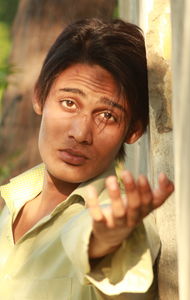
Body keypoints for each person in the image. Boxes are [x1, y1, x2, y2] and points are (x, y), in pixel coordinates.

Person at [0, 18, 174, 300]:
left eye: (107, 115)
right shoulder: (15, 200)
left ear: (133, 130)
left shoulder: (122, 219)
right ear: (39, 97)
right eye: (69, 103)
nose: (81, 133)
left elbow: (93, 241)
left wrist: (106, 241)